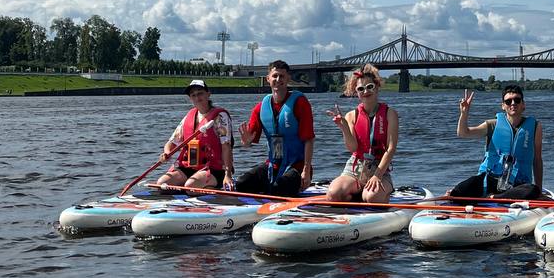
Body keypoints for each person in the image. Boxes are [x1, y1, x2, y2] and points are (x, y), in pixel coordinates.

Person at [447, 83, 543, 200]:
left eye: (517, 100)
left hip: (517, 183)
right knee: (464, 187)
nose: (513, 103)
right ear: (503, 106)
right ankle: (454, 197)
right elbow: (463, 133)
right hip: (489, 181)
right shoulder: (492, 125)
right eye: (508, 101)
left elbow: (537, 160)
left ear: (523, 104)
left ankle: (496, 197)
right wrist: (464, 114)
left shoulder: (535, 127)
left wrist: (540, 192)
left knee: (532, 190)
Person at [235, 60, 315, 197]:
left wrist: (306, 171)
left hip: (297, 165)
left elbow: (309, 140)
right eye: (275, 76)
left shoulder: (300, 103)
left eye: (282, 76)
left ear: (288, 78)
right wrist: (246, 142)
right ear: (268, 79)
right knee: (242, 183)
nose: (278, 80)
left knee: (279, 188)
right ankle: (269, 190)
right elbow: (249, 143)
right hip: (273, 166)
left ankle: (281, 188)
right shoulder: (260, 108)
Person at [326, 64, 399, 203]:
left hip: (379, 167)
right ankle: (355, 192)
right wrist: (344, 128)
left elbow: (391, 148)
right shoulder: (351, 116)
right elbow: (352, 148)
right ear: (356, 92)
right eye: (361, 89)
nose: (366, 91)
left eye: (369, 86)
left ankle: (380, 193)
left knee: (371, 197)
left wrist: (377, 175)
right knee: (333, 194)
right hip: (355, 166)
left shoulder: (390, 114)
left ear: (377, 87)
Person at [157, 79, 234, 190]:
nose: (197, 98)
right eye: (193, 95)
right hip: (190, 167)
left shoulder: (220, 117)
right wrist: (167, 153)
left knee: (190, 186)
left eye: (200, 93)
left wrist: (228, 175)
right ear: (190, 99)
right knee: (162, 183)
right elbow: (172, 142)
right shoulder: (189, 116)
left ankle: (213, 187)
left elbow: (226, 146)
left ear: (208, 94)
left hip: (214, 168)